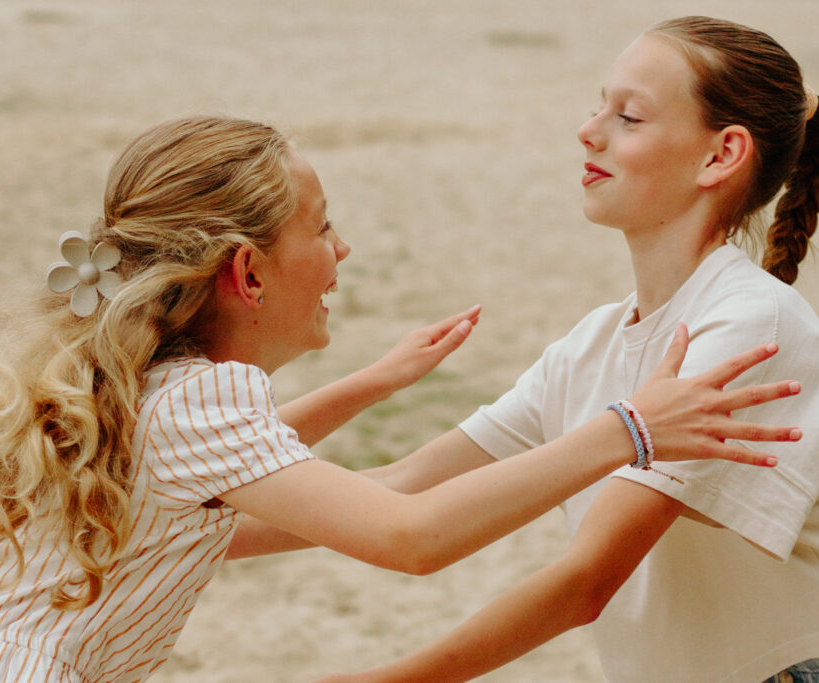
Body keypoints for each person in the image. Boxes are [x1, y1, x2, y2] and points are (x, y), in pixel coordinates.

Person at [0, 115, 799, 683]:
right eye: (322, 229)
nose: (342, 251)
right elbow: (410, 536)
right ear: (247, 271)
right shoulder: (203, 403)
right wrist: (630, 429)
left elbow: (229, 486)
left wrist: (370, 382)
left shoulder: (133, 392)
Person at [317, 15, 819, 683]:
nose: (590, 131)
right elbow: (401, 485)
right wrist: (188, 529)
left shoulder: (752, 322)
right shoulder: (594, 341)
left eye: (630, 117)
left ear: (721, 154)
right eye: (598, 105)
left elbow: (587, 579)